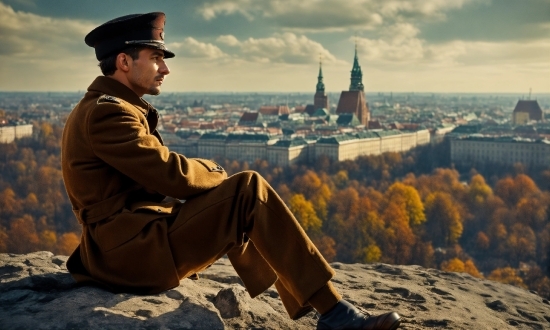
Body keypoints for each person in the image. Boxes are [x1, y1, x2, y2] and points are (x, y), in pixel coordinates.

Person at [61, 12, 401, 330]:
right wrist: (215, 171)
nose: (165, 69)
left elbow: (154, 179)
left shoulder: (108, 106)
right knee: (247, 190)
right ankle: (334, 314)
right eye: (156, 58)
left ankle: (302, 293)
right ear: (123, 62)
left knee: (234, 198)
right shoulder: (109, 113)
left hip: (129, 243)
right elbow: (171, 176)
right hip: (128, 255)